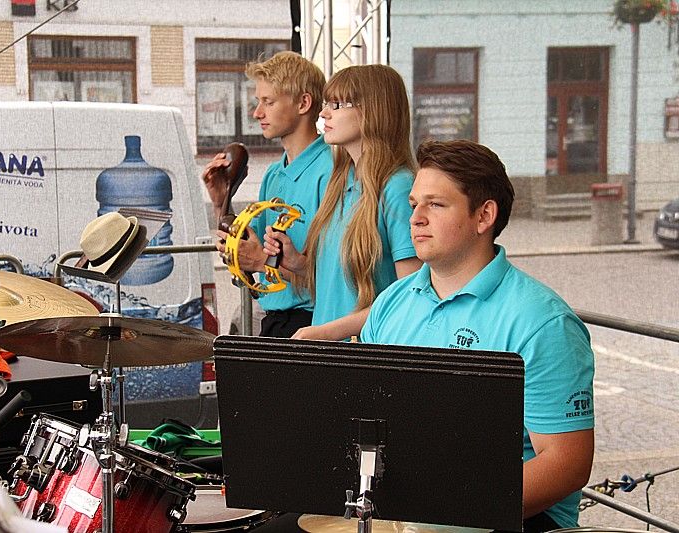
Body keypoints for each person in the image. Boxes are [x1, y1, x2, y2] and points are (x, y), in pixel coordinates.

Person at [359, 139, 595, 531]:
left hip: (507, 519)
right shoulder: (390, 303)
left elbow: (566, 464)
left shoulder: (543, 321)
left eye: (436, 204)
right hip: (401, 511)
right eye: (414, 204)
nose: (415, 218)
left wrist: (440, 511)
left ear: (484, 216)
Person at [262, 64, 422, 330]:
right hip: (329, 349)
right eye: (327, 104)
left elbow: (409, 299)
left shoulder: (398, 186)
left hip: (361, 351)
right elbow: (338, 288)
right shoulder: (340, 183)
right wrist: (299, 264)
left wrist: (326, 333)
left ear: (372, 111)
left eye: (336, 105)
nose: (323, 113)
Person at [203, 51, 330, 338]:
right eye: (258, 102)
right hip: (274, 319)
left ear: (304, 103)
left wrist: (262, 261)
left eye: (268, 102)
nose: (257, 113)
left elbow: (336, 277)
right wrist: (222, 201)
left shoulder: (332, 171)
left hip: (314, 322)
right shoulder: (274, 173)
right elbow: (252, 252)